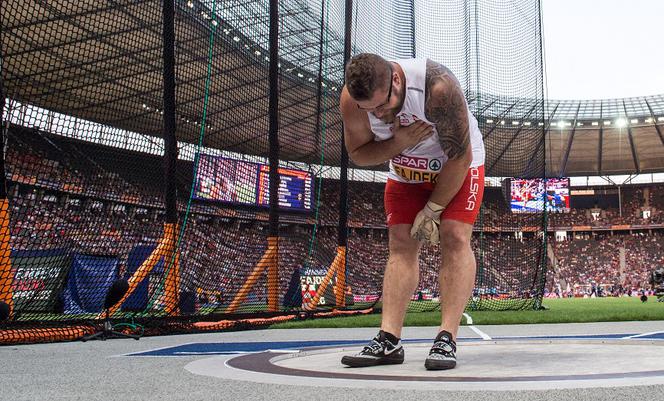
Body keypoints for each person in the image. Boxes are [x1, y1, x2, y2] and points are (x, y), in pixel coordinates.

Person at [339, 53, 485, 370]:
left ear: (395, 78)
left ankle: (447, 338)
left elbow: (459, 158)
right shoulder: (352, 99)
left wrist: (433, 209)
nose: (379, 114)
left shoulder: (438, 87)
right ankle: (388, 340)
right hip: (406, 169)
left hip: (456, 164)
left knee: (455, 235)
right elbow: (360, 155)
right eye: (371, 110)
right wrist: (399, 141)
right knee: (401, 243)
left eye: (384, 104)